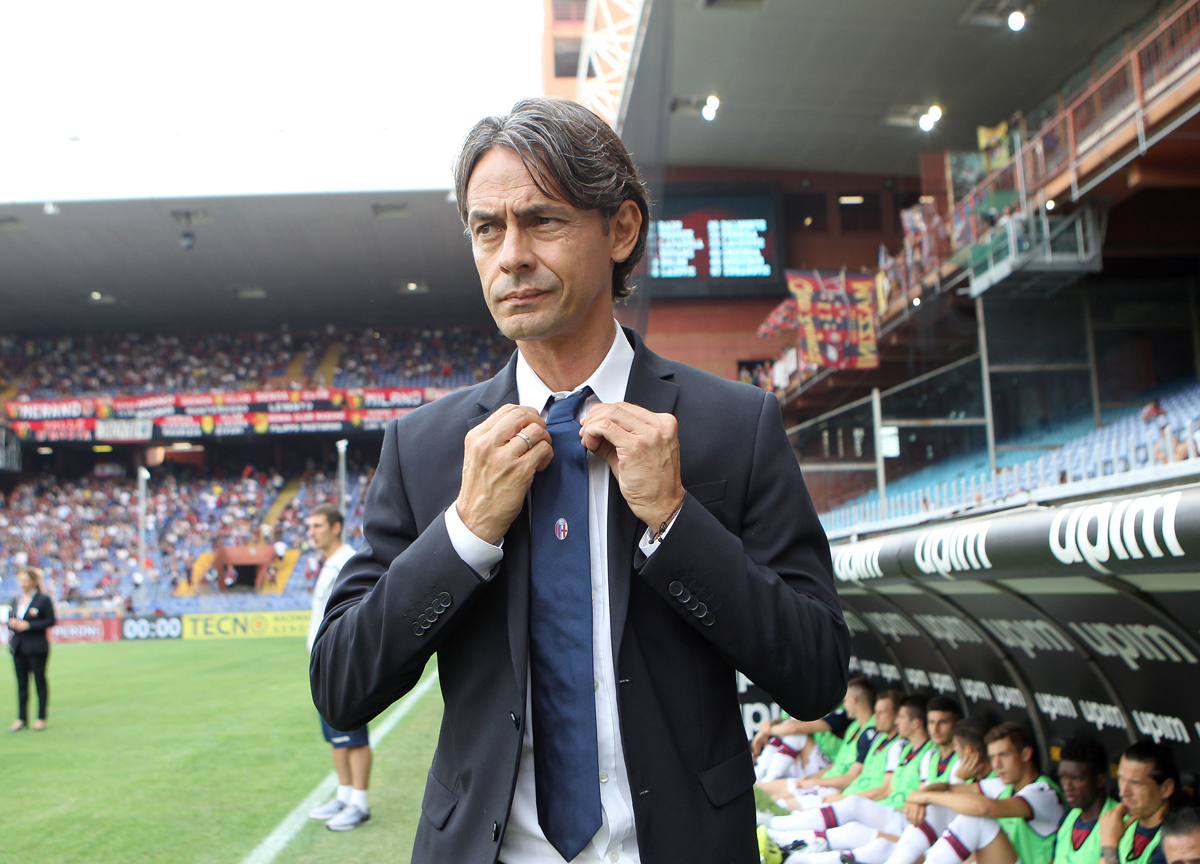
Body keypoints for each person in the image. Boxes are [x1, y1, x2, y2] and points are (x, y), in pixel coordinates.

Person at [309, 96, 848, 864]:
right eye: (487, 229)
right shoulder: (424, 447)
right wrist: (465, 533)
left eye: (543, 221)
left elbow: (817, 675)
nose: (511, 256)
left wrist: (675, 521)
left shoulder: (735, 426)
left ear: (620, 230)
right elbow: (340, 685)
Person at [768, 694, 937, 858]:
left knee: (854, 816)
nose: (877, 717)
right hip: (880, 806)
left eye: (900, 716)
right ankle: (788, 836)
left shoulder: (929, 754)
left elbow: (887, 790)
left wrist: (842, 796)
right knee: (852, 823)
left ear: (916, 723)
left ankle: (785, 835)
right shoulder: (898, 746)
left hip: (900, 817)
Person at [900, 721, 1064, 864]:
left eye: (1004, 755)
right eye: (992, 757)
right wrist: (919, 797)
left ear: (1025, 754)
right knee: (942, 807)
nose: (997, 764)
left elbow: (983, 808)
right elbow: (946, 787)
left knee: (979, 819)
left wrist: (924, 796)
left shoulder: (1044, 792)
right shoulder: (1003, 786)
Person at [303, 506, 372, 831]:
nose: (311, 532)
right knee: (336, 735)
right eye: (310, 526)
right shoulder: (330, 563)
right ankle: (344, 795)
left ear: (336, 527)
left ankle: (360, 802)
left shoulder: (348, 562)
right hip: (325, 664)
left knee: (353, 735)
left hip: (342, 662)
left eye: (317, 525)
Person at [759, 678, 879, 808]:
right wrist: (811, 779)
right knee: (760, 790)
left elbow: (851, 777)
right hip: (825, 778)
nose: (844, 705)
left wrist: (816, 782)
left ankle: (768, 777)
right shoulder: (854, 727)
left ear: (854, 699)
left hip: (833, 787)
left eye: (845, 700)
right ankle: (762, 774)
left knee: (775, 803)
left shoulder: (870, 732)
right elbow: (837, 766)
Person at [1100, 741, 1178, 864]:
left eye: (1135, 783)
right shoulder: (1121, 824)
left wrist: (1109, 844)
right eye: (1121, 779)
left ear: (1166, 788)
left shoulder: (1177, 837)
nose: (1123, 792)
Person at [8, 565, 56, 732]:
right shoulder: (16, 600)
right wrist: (12, 623)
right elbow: (11, 618)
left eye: (25, 580)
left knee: (39, 682)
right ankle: (22, 718)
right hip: (19, 647)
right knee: (22, 685)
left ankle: (41, 717)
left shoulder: (43, 600)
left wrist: (29, 625)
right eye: (20, 580)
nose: (22, 584)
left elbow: (50, 621)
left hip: (37, 647)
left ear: (34, 581)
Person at [1054, 737, 1117, 864]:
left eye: (1076, 778)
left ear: (1100, 780)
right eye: (1063, 778)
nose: (1067, 786)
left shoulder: (1118, 821)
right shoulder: (1068, 817)